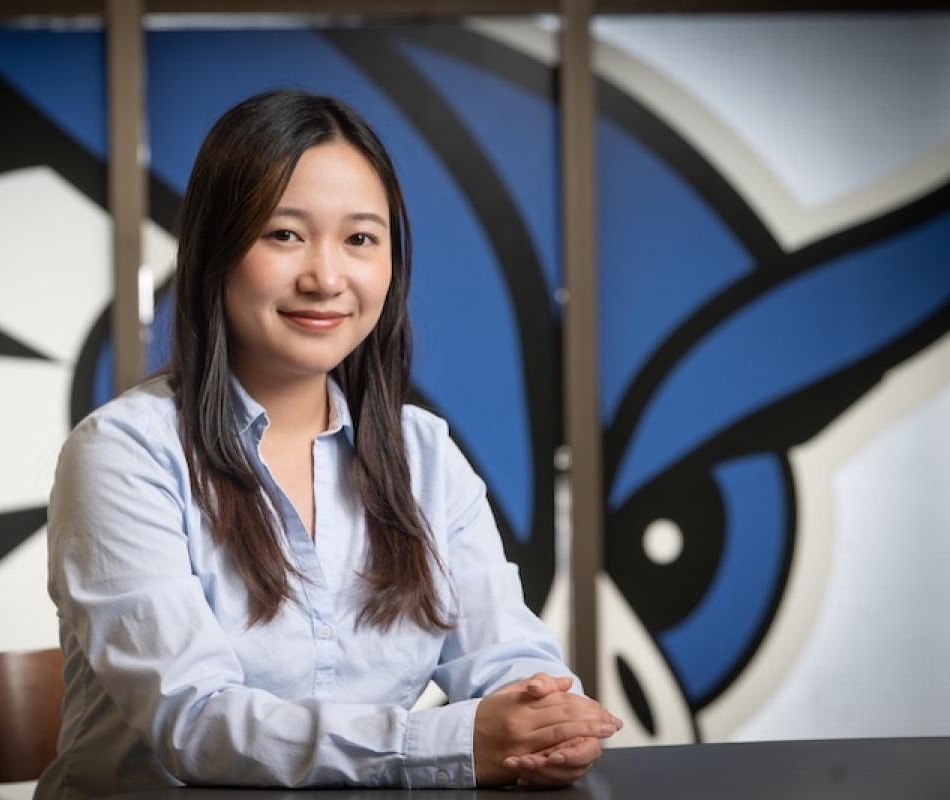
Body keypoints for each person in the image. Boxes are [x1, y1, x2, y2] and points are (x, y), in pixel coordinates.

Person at [35, 89, 620, 799]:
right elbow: (195, 723)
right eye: (284, 235)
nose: (326, 278)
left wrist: (545, 721)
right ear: (216, 251)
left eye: (360, 239)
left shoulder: (424, 455)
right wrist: (453, 743)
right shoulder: (124, 454)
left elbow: (509, 658)